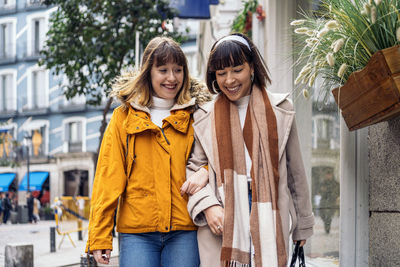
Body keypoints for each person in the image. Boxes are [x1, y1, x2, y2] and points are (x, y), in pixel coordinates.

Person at [184, 33, 315, 267]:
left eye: (237, 69)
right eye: (221, 73)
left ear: (252, 67)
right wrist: (209, 206)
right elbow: (194, 169)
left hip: (270, 210)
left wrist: (302, 224)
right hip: (223, 210)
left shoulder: (280, 108)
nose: (229, 80)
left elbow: (295, 172)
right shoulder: (205, 115)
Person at [87, 36, 211, 266]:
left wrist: (205, 171)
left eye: (178, 69)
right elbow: (108, 177)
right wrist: (100, 235)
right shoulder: (123, 118)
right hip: (137, 233)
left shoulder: (198, 116)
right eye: (163, 70)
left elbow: (216, 159)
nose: (172, 78)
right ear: (148, 72)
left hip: (184, 229)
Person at [318, 169, 339, 234]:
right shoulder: (323, 183)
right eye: (327, 175)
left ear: (331, 175)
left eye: (329, 175)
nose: (328, 176)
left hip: (331, 202)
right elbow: (319, 191)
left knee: (329, 216)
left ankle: (327, 229)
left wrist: (334, 197)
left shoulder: (335, 183)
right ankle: (326, 225)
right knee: (322, 214)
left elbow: (338, 192)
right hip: (323, 201)